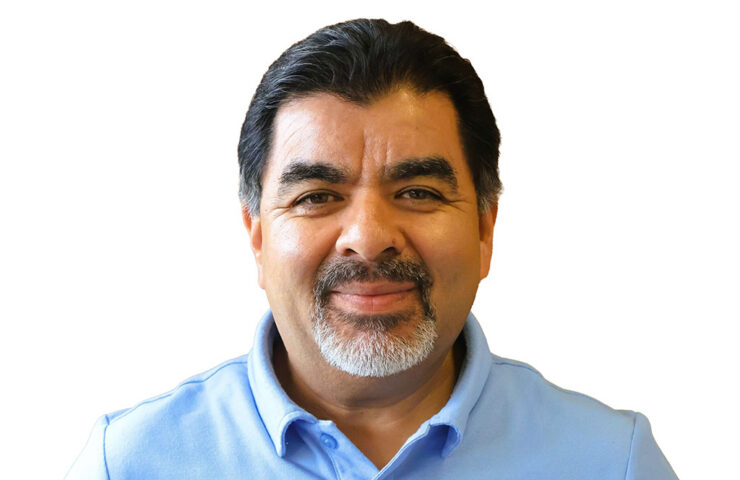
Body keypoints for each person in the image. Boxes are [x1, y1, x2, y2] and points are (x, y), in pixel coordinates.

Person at [66, 18, 678, 479]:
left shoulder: (611, 462)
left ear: (485, 228)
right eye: (316, 196)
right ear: (257, 235)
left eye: (417, 192)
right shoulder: (128, 464)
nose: (367, 236)